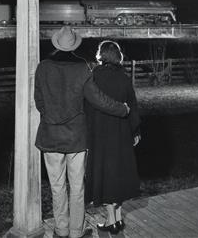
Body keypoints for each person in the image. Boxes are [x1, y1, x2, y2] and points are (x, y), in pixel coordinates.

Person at [34, 26, 129, 238]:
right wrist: (122, 109)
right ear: (75, 45)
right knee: (77, 188)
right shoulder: (82, 69)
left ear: (56, 43)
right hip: (76, 138)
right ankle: (77, 232)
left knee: (57, 187)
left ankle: (61, 230)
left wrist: (51, 117)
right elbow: (98, 100)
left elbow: (39, 101)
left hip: (50, 136)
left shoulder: (43, 67)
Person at [85, 40, 141, 235]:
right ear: (118, 56)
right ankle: (117, 219)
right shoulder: (124, 78)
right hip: (121, 133)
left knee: (105, 177)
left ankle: (111, 221)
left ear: (101, 55)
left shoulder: (94, 76)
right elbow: (133, 107)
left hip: (100, 135)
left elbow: (88, 106)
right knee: (118, 175)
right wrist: (135, 132)